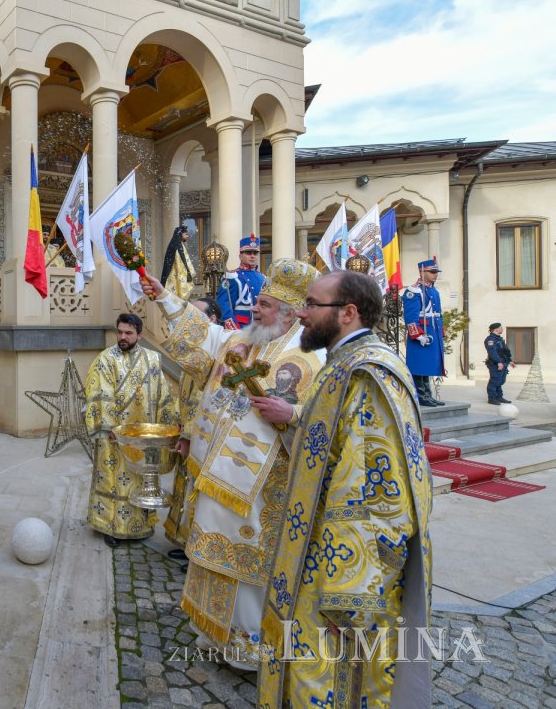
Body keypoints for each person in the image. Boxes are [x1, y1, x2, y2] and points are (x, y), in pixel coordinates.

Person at [257, 270, 433, 709]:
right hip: (315, 557)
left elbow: (377, 494)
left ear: (348, 313)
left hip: (340, 578)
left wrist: (348, 596)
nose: (300, 313)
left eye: (312, 304)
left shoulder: (368, 375)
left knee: (332, 681)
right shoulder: (342, 365)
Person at [141, 258, 325, 669]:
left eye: (264, 303)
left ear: (290, 312)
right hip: (214, 476)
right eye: (257, 301)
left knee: (245, 570)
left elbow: (321, 422)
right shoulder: (243, 340)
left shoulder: (311, 360)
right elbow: (204, 337)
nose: (255, 309)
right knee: (209, 557)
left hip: (258, 491)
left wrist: (292, 416)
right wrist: (165, 296)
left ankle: (248, 649)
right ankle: (213, 633)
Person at [85, 312, 177, 547]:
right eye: (120, 332)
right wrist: (110, 427)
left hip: (145, 438)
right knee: (113, 481)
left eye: (128, 333)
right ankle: (110, 526)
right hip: (114, 436)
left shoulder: (153, 360)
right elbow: (99, 394)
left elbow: (163, 396)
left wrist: (167, 429)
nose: (123, 337)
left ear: (140, 335)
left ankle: (142, 525)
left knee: (141, 479)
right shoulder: (105, 359)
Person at [163, 296, 222, 557]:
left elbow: (203, 401)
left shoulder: (216, 353)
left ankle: (196, 550)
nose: (189, 320)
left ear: (211, 321)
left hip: (203, 437)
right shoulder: (194, 352)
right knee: (183, 485)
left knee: (196, 492)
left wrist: (187, 435)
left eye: (196, 315)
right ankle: (183, 541)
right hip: (188, 431)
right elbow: (184, 396)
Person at [403, 258, 445, 406]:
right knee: (419, 365)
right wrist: (418, 335)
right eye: (432, 272)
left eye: (436, 272)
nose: (435, 275)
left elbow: (438, 314)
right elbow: (410, 317)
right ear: (422, 272)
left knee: (427, 366)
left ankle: (428, 394)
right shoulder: (414, 291)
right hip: (421, 333)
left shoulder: (433, 290)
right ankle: (420, 395)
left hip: (433, 333)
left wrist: (441, 333)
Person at [216, 235, 266, 330]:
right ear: (240, 256)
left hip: (260, 329)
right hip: (240, 328)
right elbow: (224, 307)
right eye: (248, 253)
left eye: (255, 253)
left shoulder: (263, 278)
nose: (252, 256)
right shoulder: (232, 277)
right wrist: (235, 332)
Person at [159, 223, 197, 300]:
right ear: (180, 234)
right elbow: (180, 263)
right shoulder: (176, 245)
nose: (187, 236)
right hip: (174, 275)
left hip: (178, 275)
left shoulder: (178, 244)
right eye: (186, 234)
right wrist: (187, 274)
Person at [484, 322, 515, 405]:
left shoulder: (499, 339)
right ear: (496, 329)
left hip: (504, 363)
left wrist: (510, 361)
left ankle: (499, 396)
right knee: (495, 381)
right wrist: (498, 362)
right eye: (501, 328)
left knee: (501, 381)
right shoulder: (490, 340)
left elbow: (504, 352)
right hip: (496, 364)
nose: (502, 329)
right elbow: (492, 352)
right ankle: (492, 398)